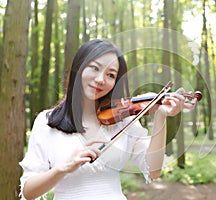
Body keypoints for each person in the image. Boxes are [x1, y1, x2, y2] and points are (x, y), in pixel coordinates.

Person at [19, 39, 195, 199]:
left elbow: (153, 170)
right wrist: (63, 168)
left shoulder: (123, 121)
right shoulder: (46, 122)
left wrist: (161, 116)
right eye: (94, 68)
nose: (100, 79)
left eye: (111, 75)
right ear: (78, 67)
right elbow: (28, 192)